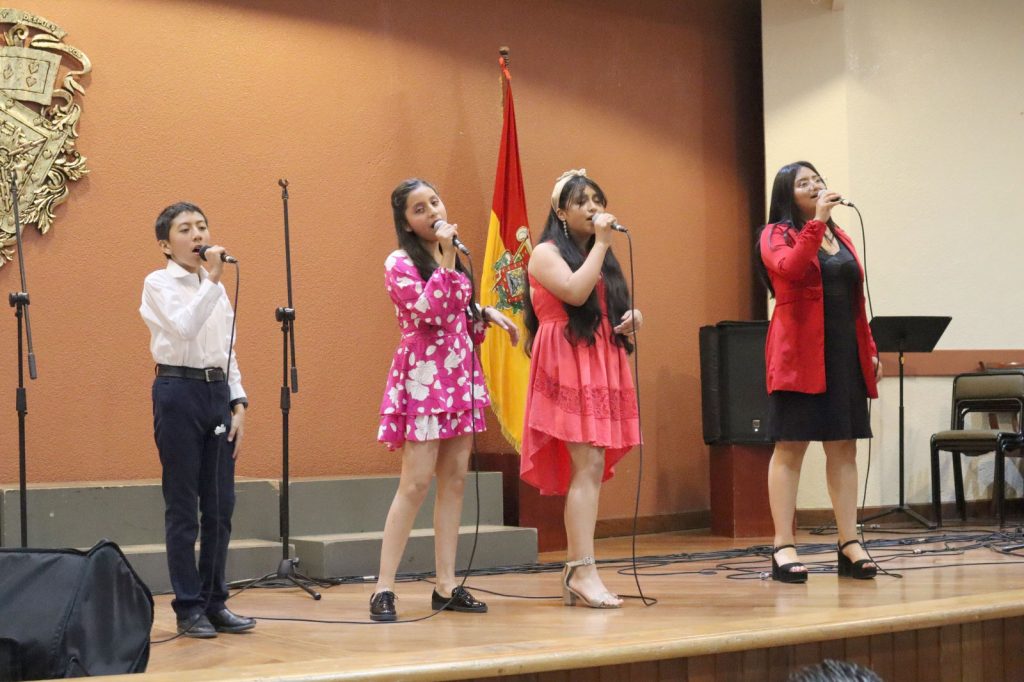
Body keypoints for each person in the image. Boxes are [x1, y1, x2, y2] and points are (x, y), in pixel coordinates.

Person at [370, 179, 519, 621]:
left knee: (454, 480)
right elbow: (430, 311)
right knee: (415, 483)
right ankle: (383, 587)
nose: (432, 211)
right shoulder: (399, 263)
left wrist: (483, 314)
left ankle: (446, 585)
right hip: (423, 377)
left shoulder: (449, 256)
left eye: (434, 201)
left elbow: (456, 314)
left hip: (458, 375)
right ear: (405, 222)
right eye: (419, 208)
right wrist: (450, 259)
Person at [520, 169, 642, 609]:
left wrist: (632, 318)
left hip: (598, 356)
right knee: (587, 462)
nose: (593, 208)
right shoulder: (545, 253)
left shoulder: (597, 252)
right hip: (566, 358)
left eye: (597, 199)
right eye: (582, 201)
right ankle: (582, 570)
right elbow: (573, 292)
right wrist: (604, 244)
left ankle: (579, 570)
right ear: (560, 212)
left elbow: (604, 302)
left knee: (591, 465)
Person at [756, 161, 881, 583]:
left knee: (844, 447)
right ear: (787, 195)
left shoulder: (840, 236)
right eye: (803, 183)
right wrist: (818, 222)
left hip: (843, 353)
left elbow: (855, 299)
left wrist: (869, 350)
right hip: (798, 354)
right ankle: (783, 546)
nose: (814, 186)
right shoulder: (774, 234)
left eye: (817, 180)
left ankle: (849, 542)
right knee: (791, 446)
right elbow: (791, 268)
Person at [140, 202, 254, 638]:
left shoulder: (215, 288)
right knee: (184, 506)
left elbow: (227, 349)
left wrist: (238, 401)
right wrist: (213, 280)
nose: (197, 235)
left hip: (216, 393)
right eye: (185, 229)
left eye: (202, 226)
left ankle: (214, 601)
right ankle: (188, 607)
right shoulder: (158, 283)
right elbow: (184, 328)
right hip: (177, 392)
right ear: (166, 245)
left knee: (221, 507)